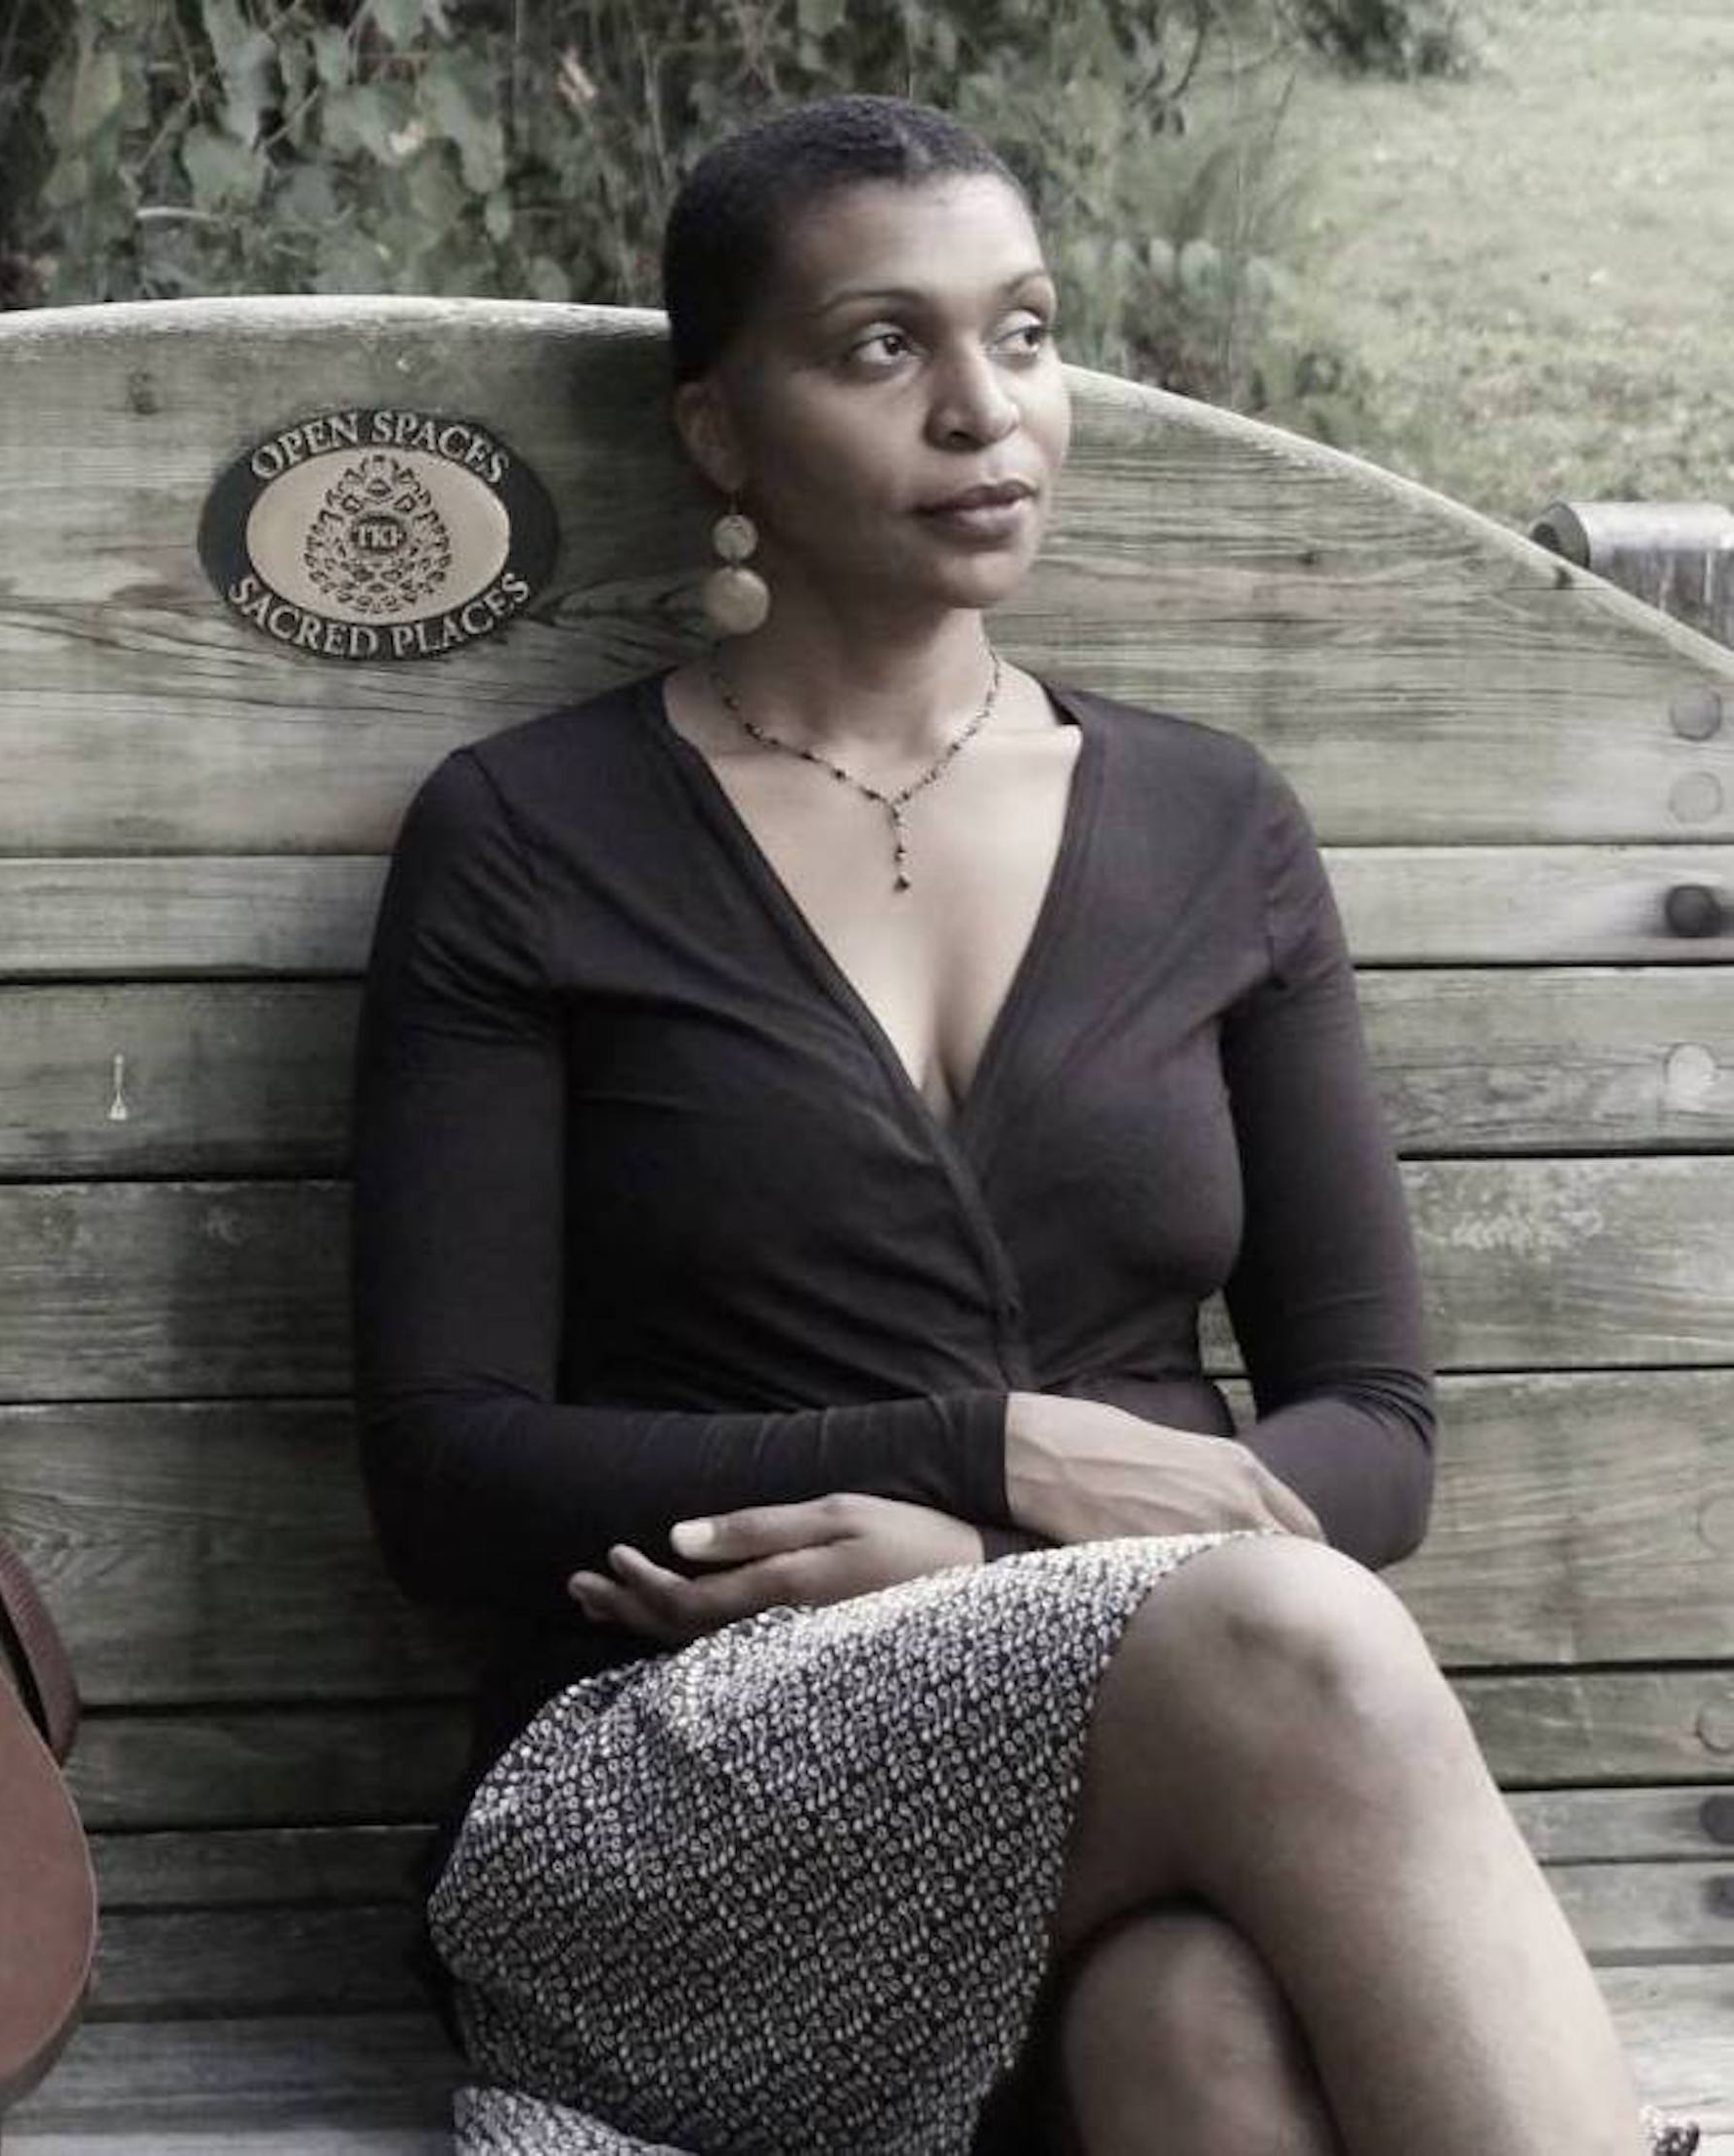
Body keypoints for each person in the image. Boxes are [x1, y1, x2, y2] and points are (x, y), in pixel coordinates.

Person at [348, 93, 1701, 2156]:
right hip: (663, 1796)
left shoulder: (1211, 822)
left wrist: (983, 1551)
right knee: (1279, 1619)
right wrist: (985, 1443)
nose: (984, 412)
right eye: (880, 345)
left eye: (1027, 331)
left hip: (1129, 1801)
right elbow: (452, 1469)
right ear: (718, 428)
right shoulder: (529, 838)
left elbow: (1375, 1429)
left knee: (1203, 2041)